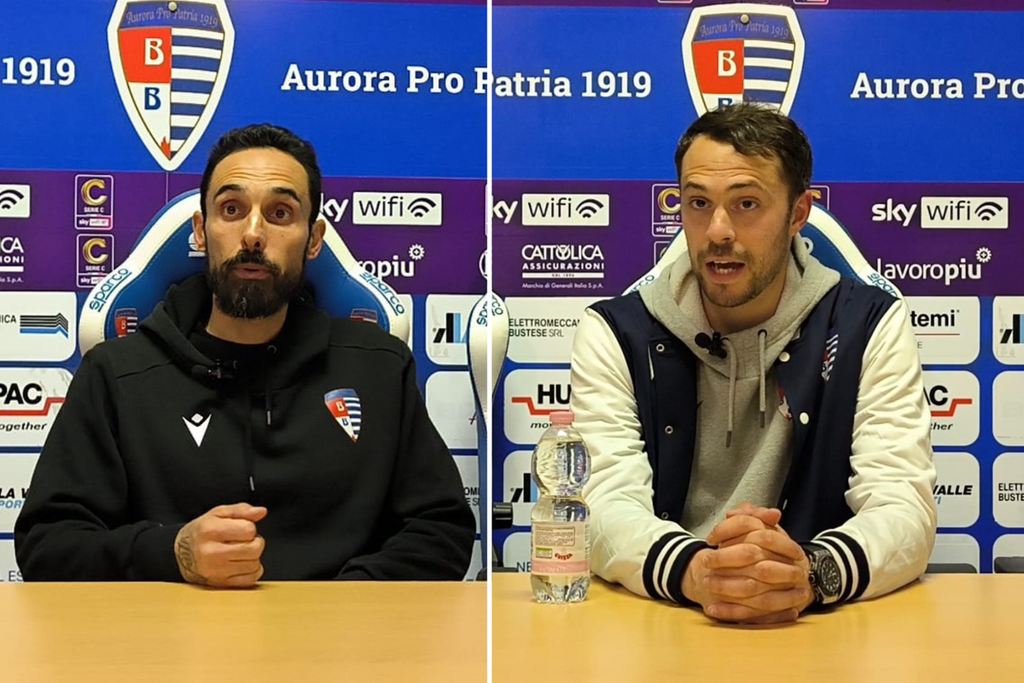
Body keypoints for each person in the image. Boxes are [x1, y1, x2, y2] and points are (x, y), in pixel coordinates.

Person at [15, 124, 475, 586]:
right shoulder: (117, 375)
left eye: (280, 213)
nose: (253, 234)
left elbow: (441, 531)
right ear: (201, 231)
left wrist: (341, 605)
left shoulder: (379, 369)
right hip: (172, 631)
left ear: (313, 239)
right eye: (232, 210)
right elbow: (47, 546)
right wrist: (172, 553)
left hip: (345, 629)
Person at [570, 103, 936, 624]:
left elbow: (903, 506)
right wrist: (699, 572)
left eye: (746, 204)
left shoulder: (869, 324)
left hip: (815, 622)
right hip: (665, 617)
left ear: (798, 213)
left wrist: (810, 573)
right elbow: (603, 505)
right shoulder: (615, 331)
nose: (718, 230)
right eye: (698, 203)